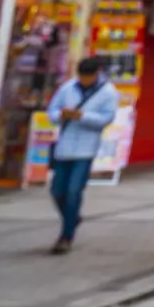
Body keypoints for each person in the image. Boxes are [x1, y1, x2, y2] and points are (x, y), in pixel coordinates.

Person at [43, 56, 119, 255]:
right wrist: (60, 115)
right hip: (64, 147)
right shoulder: (68, 88)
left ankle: (66, 236)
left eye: (88, 76)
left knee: (74, 190)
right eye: (81, 76)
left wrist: (82, 117)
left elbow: (107, 118)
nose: (84, 80)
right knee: (57, 191)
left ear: (97, 74)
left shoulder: (107, 93)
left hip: (86, 148)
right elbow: (52, 110)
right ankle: (72, 217)